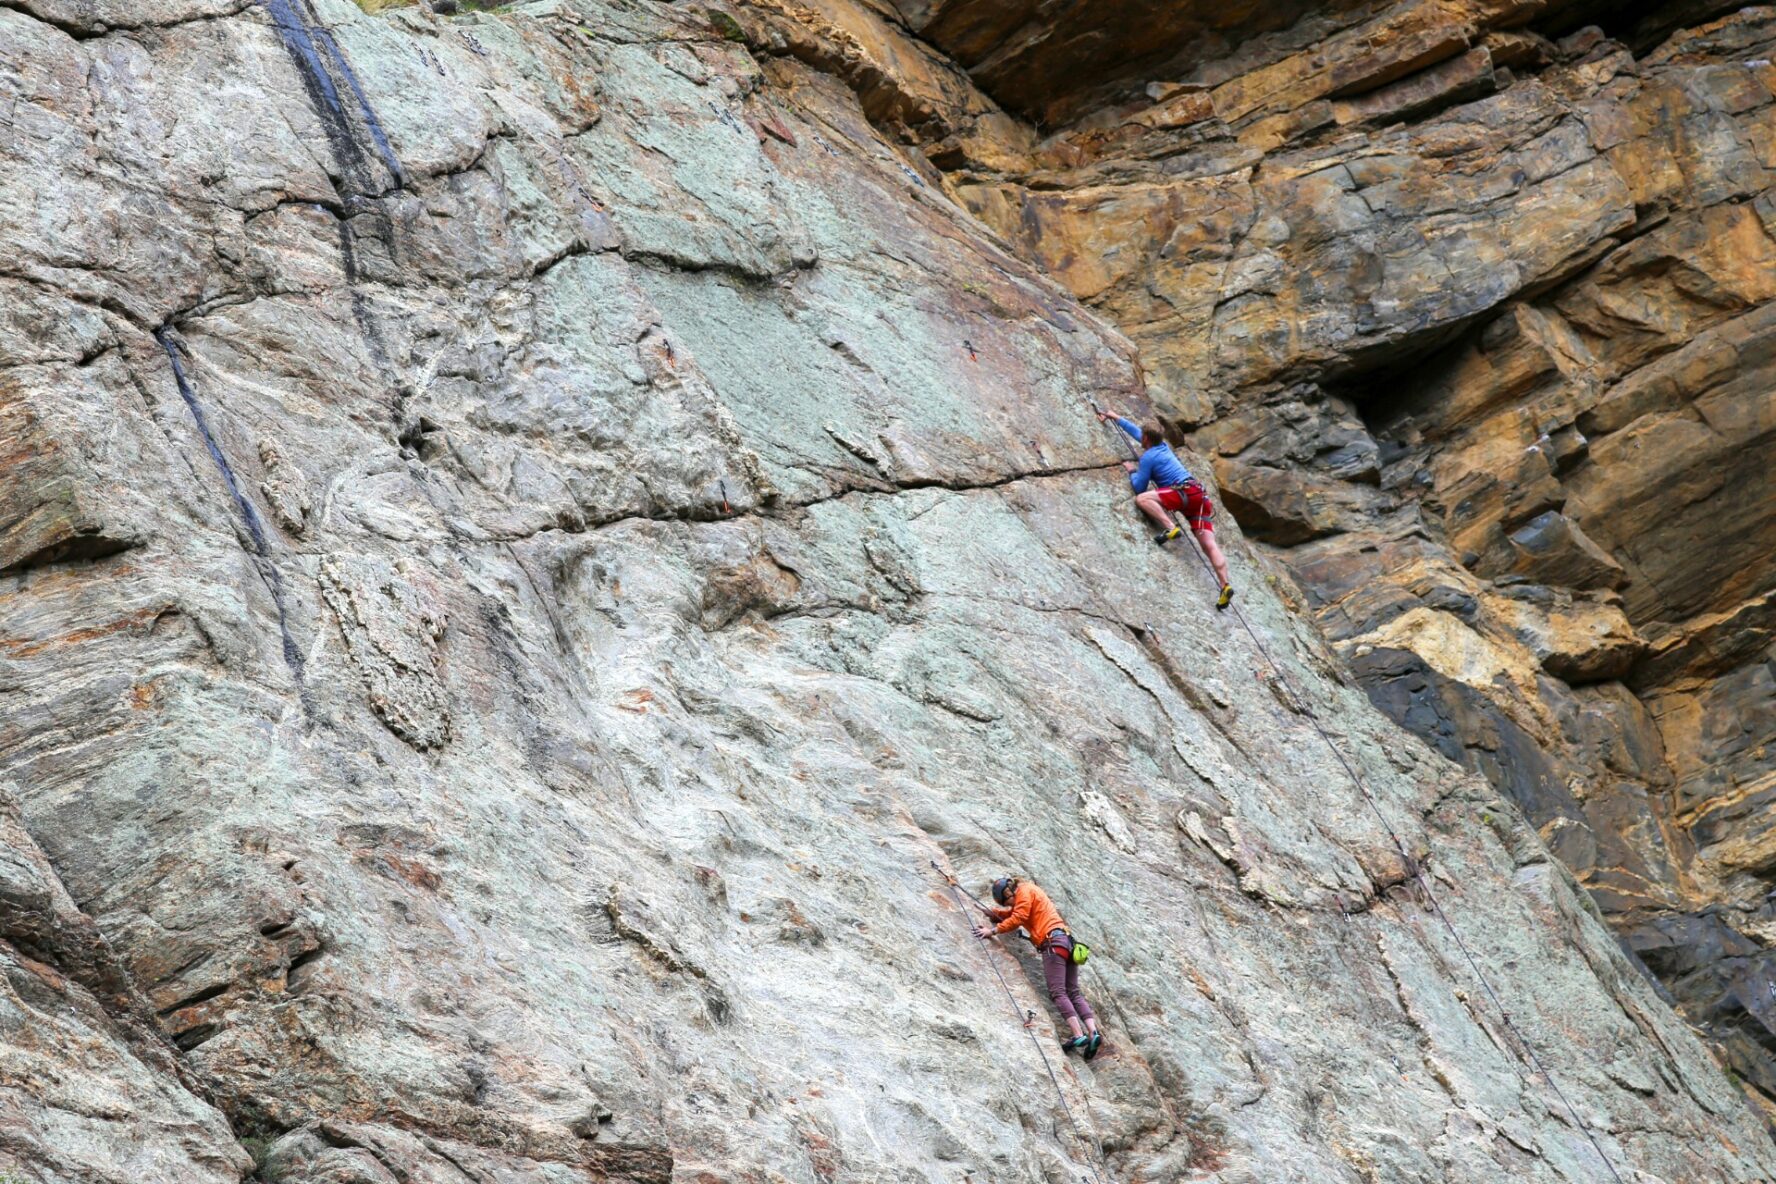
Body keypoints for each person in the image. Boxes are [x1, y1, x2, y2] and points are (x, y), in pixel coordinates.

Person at [1095, 409, 1234, 610]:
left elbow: (1139, 487)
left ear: (1146, 439)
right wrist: (1116, 418)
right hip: (1198, 496)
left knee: (1142, 499)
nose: (1140, 438)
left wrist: (1132, 470)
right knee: (1209, 545)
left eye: (1142, 437)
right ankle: (1224, 585)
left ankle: (1170, 527)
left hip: (1181, 494)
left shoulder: (1148, 458)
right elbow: (1137, 433)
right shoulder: (1164, 446)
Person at [973, 876, 1102, 1059]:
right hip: (1067, 942)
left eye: (1008, 901)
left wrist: (991, 931)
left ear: (1009, 893)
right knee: (1073, 991)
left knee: (1058, 992)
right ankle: (1093, 1032)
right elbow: (1014, 914)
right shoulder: (1030, 892)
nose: (1010, 905)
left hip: (1053, 943)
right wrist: (990, 912)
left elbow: (1018, 917)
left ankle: (1078, 1035)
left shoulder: (1024, 891)